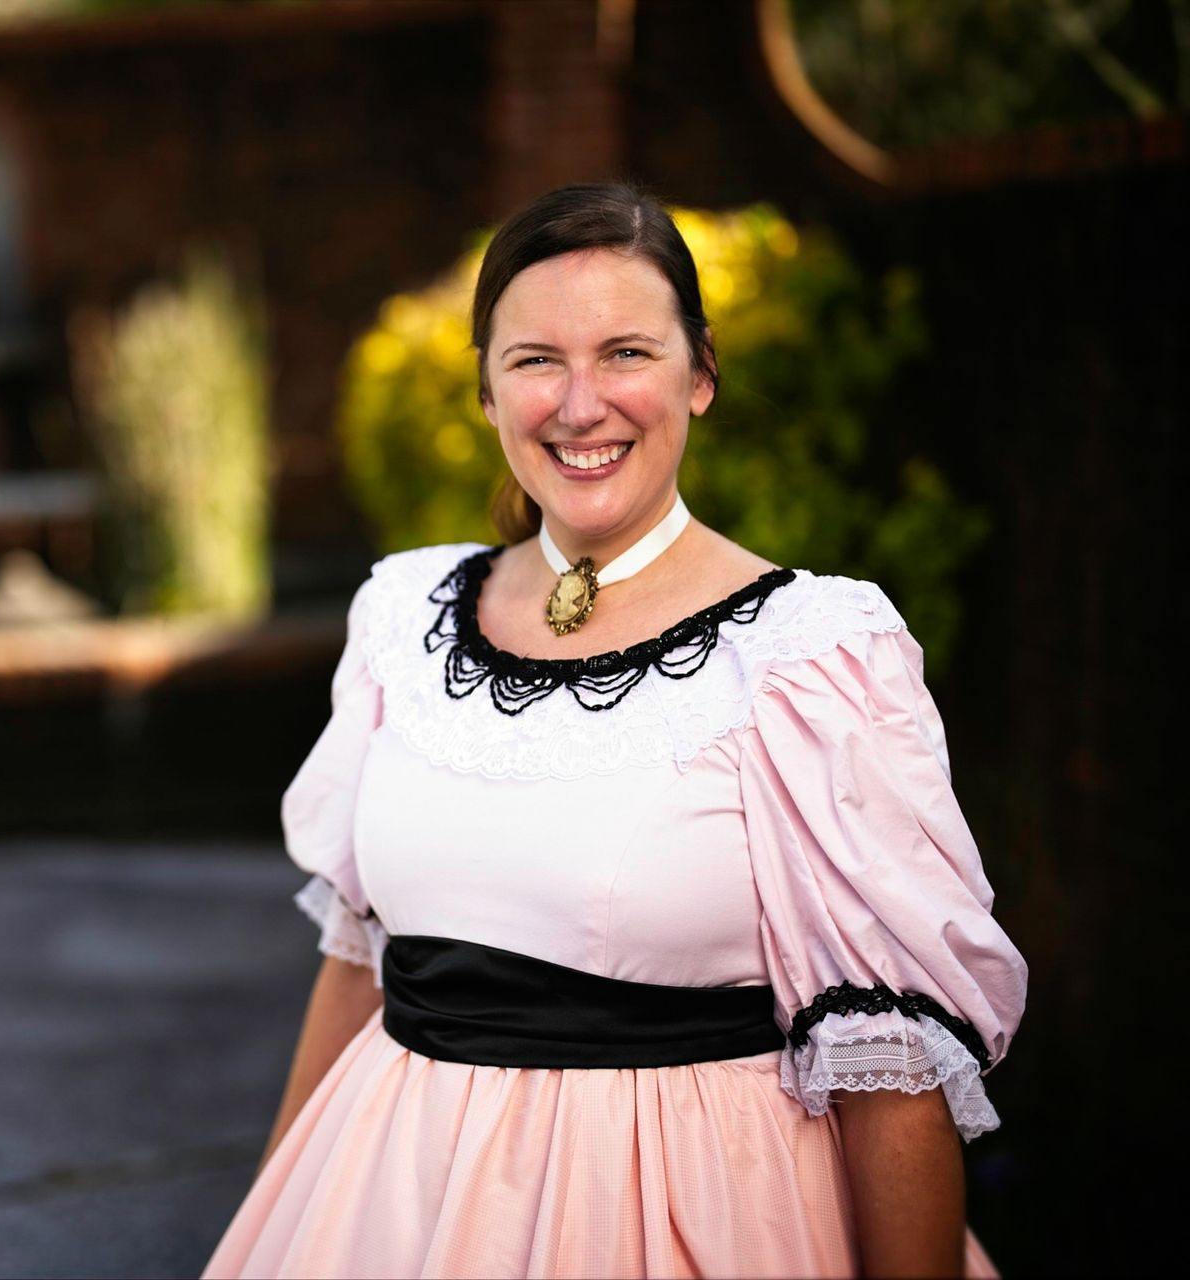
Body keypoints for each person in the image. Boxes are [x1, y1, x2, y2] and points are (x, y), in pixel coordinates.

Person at [202, 183, 1028, 1279]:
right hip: (382, 1208)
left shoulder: (808, 656)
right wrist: (276, 1215)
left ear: (700, 375)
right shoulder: (403, 617)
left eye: (627, 352)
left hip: (687, 1218)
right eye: (536, 359)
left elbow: (892, 1073)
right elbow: (356, 962)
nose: (580, 403)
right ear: (488, 395)